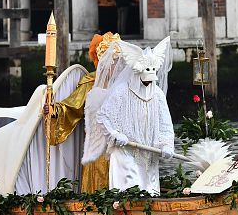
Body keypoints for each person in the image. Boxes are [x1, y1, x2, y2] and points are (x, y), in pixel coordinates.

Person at [87, 36, 174, 195]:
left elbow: (166, 126)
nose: (148, 84)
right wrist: (115, 134)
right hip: (125, 152)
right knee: (129, 192)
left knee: (150, 193)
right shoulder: (121, 92)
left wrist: (167, 145)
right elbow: (103, 116)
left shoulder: (158, 95)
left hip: (149, 154)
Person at [44, 32, 122, 192]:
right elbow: (72, 106)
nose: (115, 65)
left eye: (118, 60)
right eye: (112, 60)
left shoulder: (127, 84)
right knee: (98, 189)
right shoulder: (89, 84)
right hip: (98, 150)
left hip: (123, 147)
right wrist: (55, 110)